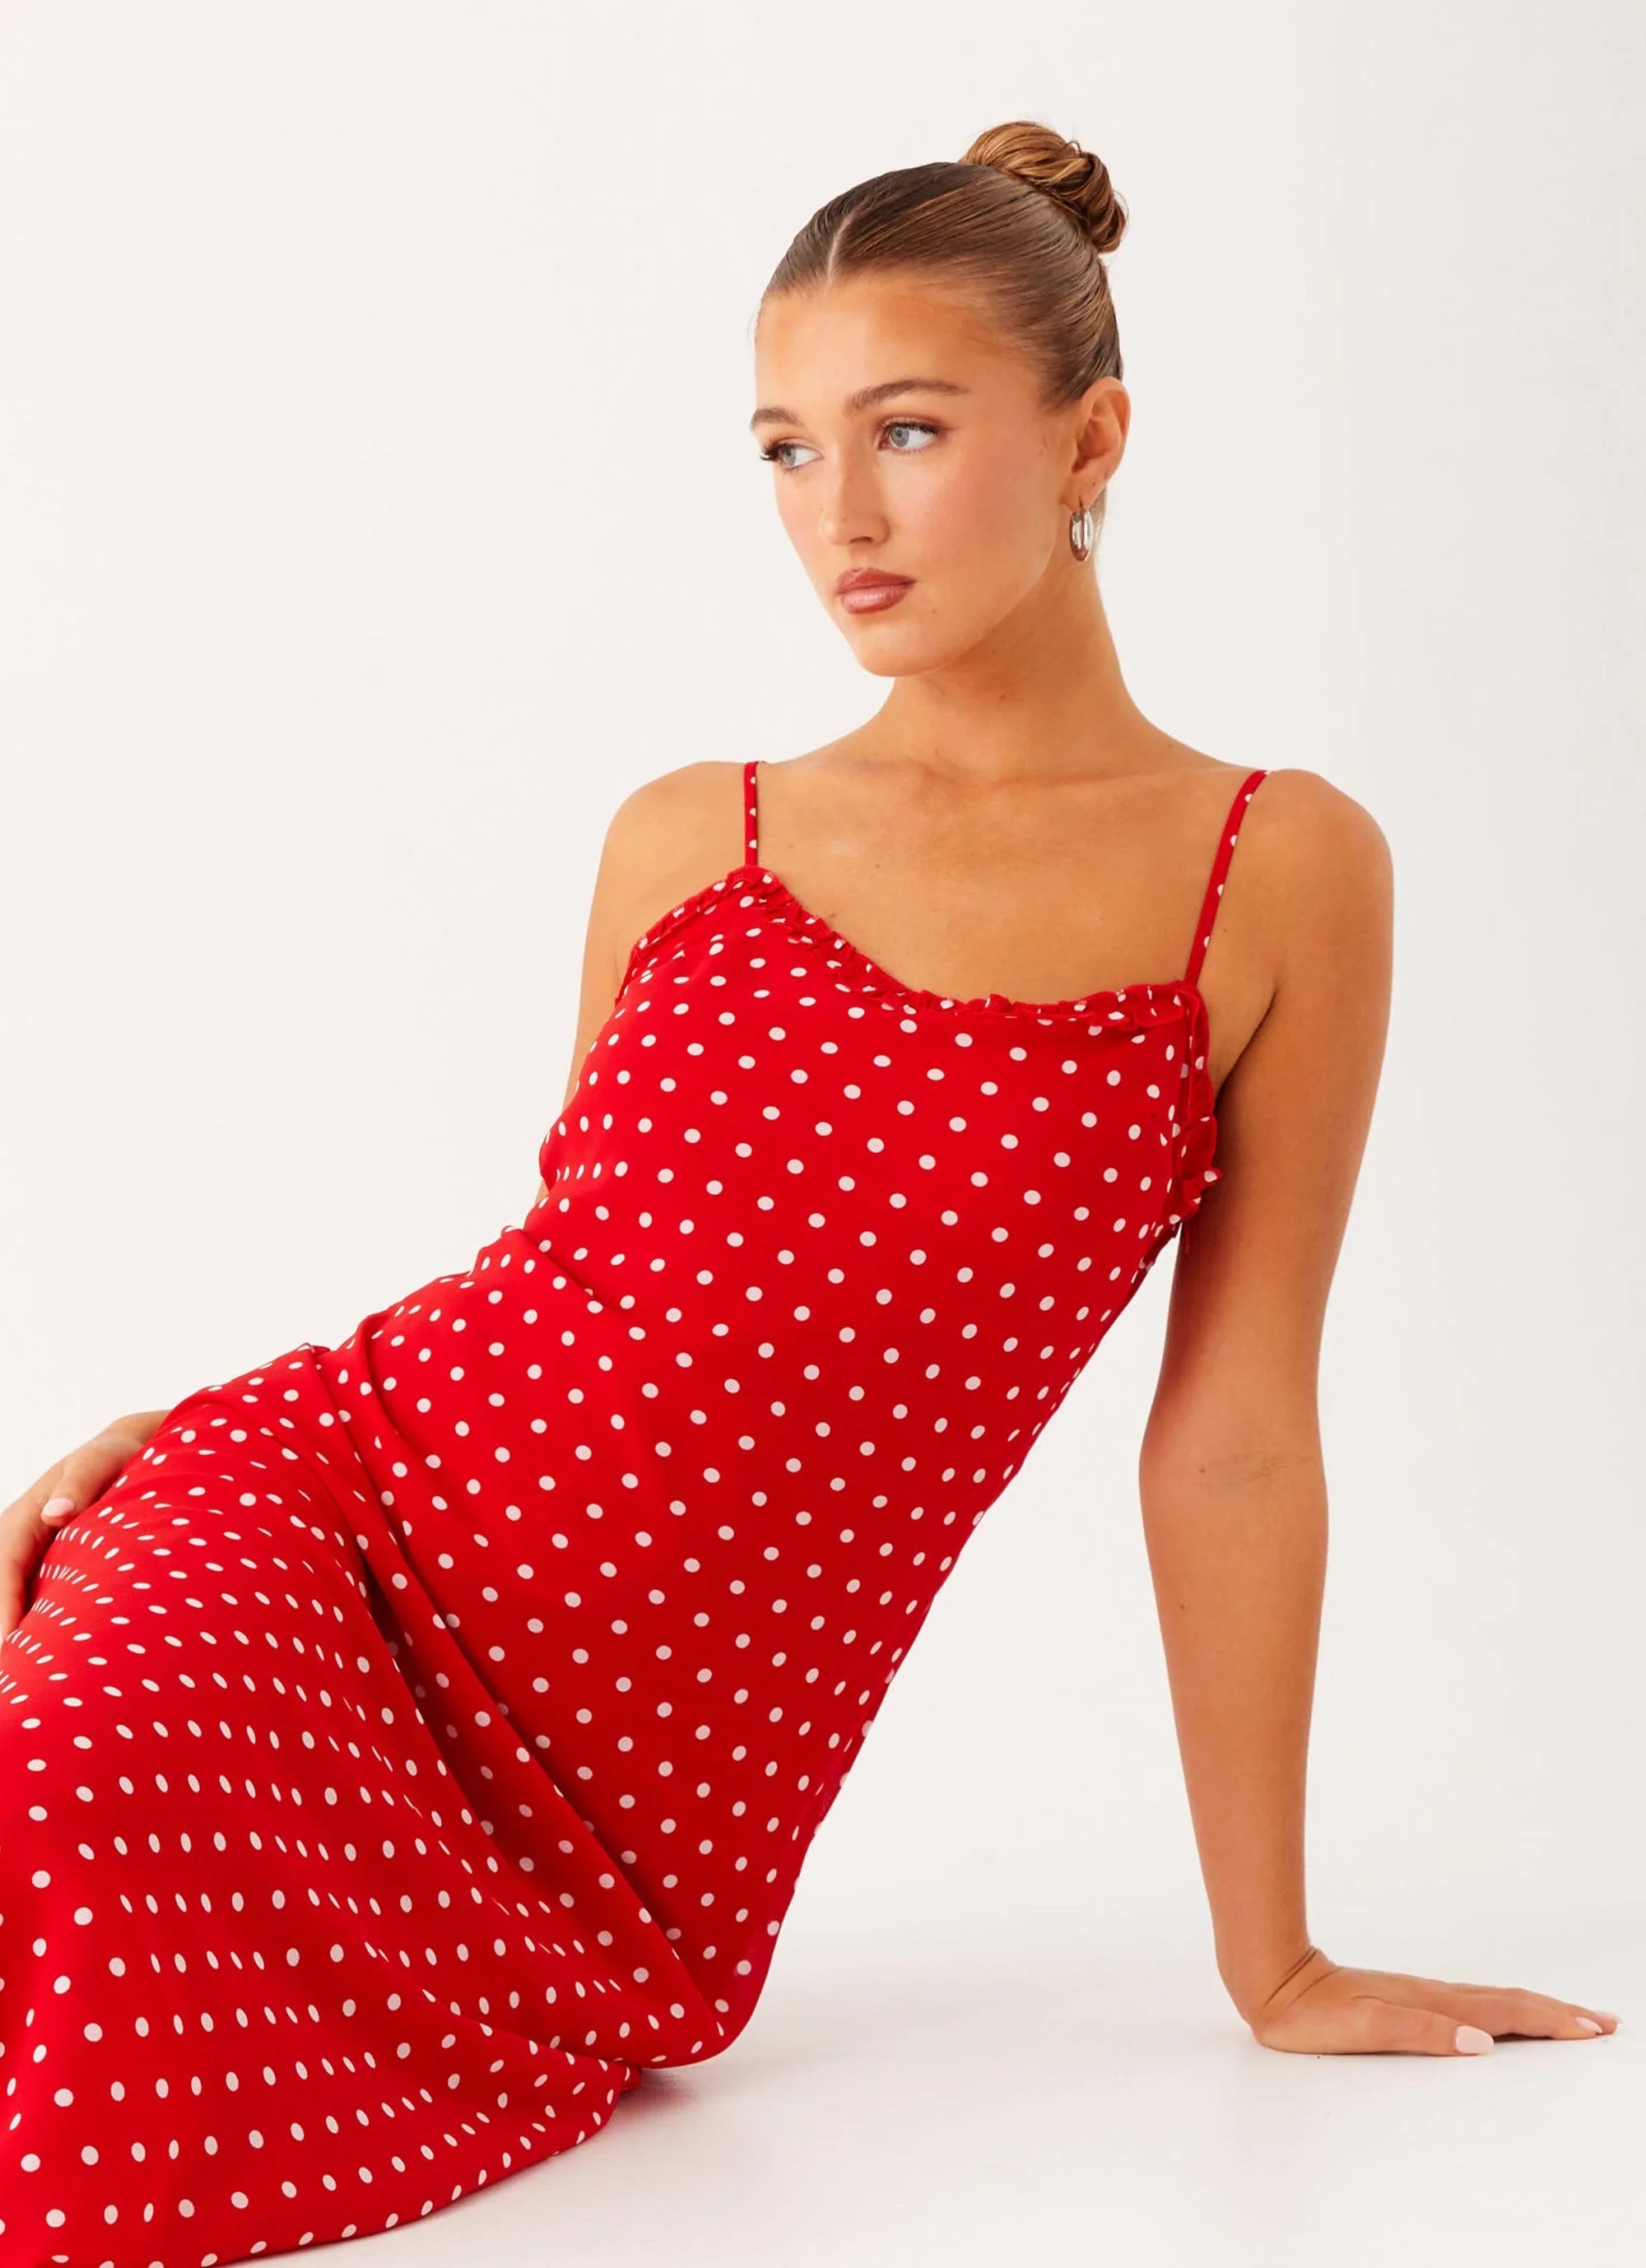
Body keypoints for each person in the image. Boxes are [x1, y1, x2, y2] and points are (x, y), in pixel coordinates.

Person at [0, 119, 1616, 2268]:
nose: (836, 514)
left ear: (1092, 437)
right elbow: (585, 1280)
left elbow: (1234, 1438)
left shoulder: (1277, 868)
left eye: (907, 431)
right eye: (784, 449)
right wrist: (195, 1436)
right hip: (334, 1529)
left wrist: (1277, 1958)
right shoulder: (696, 832)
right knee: (46, 1782)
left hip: (625, 1821)